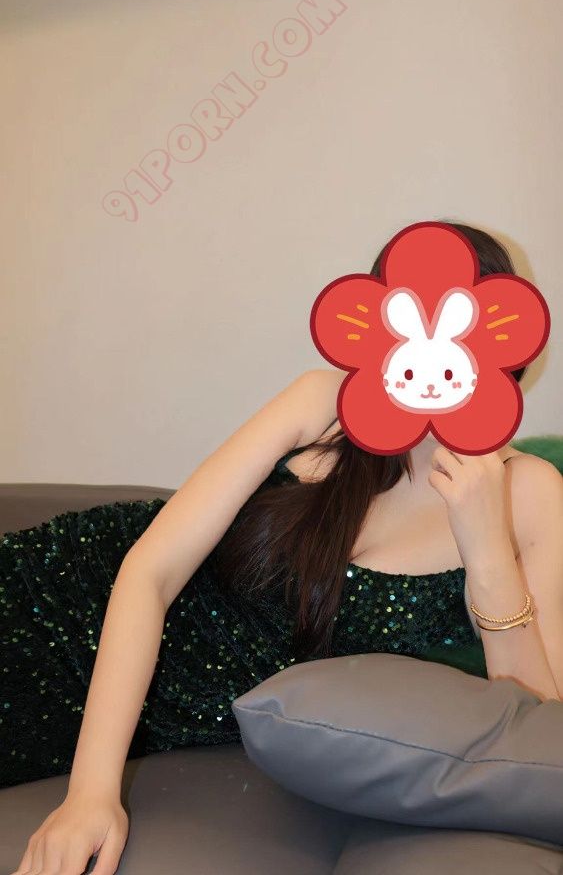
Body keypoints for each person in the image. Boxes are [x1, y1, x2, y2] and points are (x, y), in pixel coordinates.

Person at [2, 221, 559, 875]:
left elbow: (534, 730)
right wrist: (91, 794)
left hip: (171, 722)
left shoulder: (530, 490)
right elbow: (150, 571)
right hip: (66, 606)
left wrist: (487, 551)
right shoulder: (321, 402)